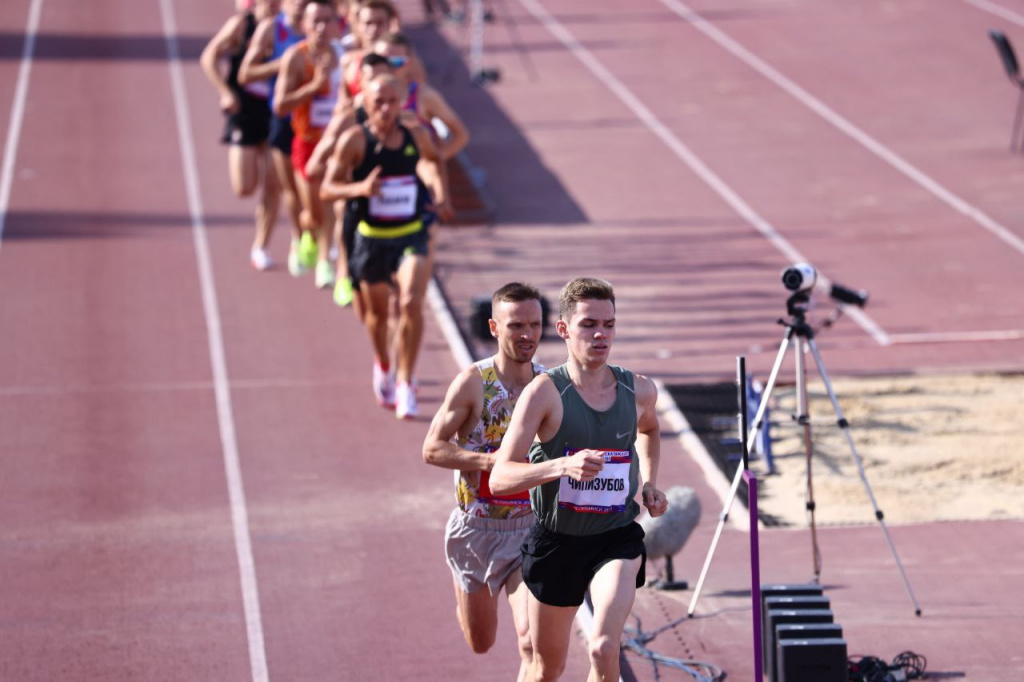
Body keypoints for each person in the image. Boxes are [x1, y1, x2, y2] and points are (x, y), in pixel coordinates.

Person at [490, 276, 669, 682]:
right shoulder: (544, 393)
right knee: (545, 668)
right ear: (565, 330)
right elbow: (501, 477)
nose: (601, 334)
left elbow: (650, 430)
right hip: (558, 542)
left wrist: (649, 483)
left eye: (609, 323)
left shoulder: (638, 389)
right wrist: (559, 467)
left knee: (604, 647)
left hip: (616, 536)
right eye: (589, 324)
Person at [422, 282, 545, 680]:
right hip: (476, 530)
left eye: (534, 324)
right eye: (516, 326)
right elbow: (433, 449)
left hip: (530, 529)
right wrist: (491, 462)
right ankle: (466, 598)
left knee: (531, 640)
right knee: (482, 641)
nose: (527, 335)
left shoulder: (550, 384)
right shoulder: (473, 382)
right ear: (494, 327)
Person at [320, 74, 450, 419]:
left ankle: (406, 381)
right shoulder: (354, 140)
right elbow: (327, 188)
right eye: (378, 102)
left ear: (402, 102)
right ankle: (383, 363)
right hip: (371, 238)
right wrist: (359, 189)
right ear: (365, 102)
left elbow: (432, 160)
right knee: (376, 317)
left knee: (410, 302)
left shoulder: (415, 134)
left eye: (393, 101)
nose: (386, 109)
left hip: (411, 234)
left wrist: (438, 190)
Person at [199, 0, 282, 271]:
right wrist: (225, 92)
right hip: (244, 111)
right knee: (245, 187)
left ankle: (261, 246)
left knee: (273, 183)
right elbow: (208, 57)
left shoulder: (287, 29)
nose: (273, 5)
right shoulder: (240, 25)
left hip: (276, 112)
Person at [274, 0, 344, 289]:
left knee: (332, 202)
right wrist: (314, 86)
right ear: (304, 24)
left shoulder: (345, 56)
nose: (321, 27)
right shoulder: (296, 57)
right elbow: (280, 105)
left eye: (327, 20)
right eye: (315, 21)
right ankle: (308, 233)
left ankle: (326, 260)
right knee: (312, 210)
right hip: (306, 142)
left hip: (336, 144)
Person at [238, 0, 311, 277]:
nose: (302, 8)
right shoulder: (273, 28)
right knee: (279, 185)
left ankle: (318, 245)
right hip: (280, 118)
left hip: (315, 120)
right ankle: (287, 240)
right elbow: (246, 72)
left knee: (312, 187)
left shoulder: (321, 27)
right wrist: (284, 64)